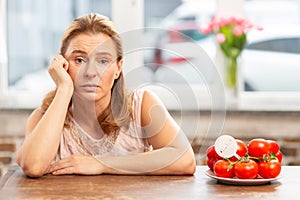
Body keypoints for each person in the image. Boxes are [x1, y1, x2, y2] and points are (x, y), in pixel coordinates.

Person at [16, 13, 196, 177]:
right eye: (79, 60)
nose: (90, 72)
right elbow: (33, 166)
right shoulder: (44, 116)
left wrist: (101, 164)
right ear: (63, 65)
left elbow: (185, 160)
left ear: (118, 68)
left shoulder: (141, 105)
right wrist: (63, 89)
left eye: (103, 61)